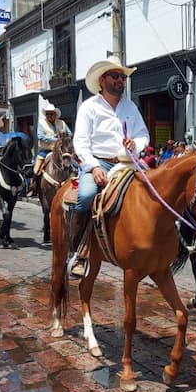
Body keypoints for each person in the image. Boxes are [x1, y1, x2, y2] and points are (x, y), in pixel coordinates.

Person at [70, 56, 149, 277]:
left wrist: (136, 143)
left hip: (128, 162)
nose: (120, 81)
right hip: (99, 162)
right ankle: (78, 251)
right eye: (115, 76)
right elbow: (81, 142)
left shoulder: (130, 106)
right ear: (102, 80)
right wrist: (94, 167)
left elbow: (143, 134)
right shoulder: (89, 107)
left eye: (122, 77)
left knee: (157, 190)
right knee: (86, 196)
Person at [30, 103, 72, 197]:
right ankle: (33, 188)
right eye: (47, 114)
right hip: (46, 151)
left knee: (72, 166)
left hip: (61, 152)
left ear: (55, 115)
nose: (49, 116)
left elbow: (69, 133)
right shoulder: (41, 123)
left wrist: (64, 135)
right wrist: (55, 139)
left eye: (51, 114)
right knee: (36, 170)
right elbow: (40, 136)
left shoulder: (62, 123)